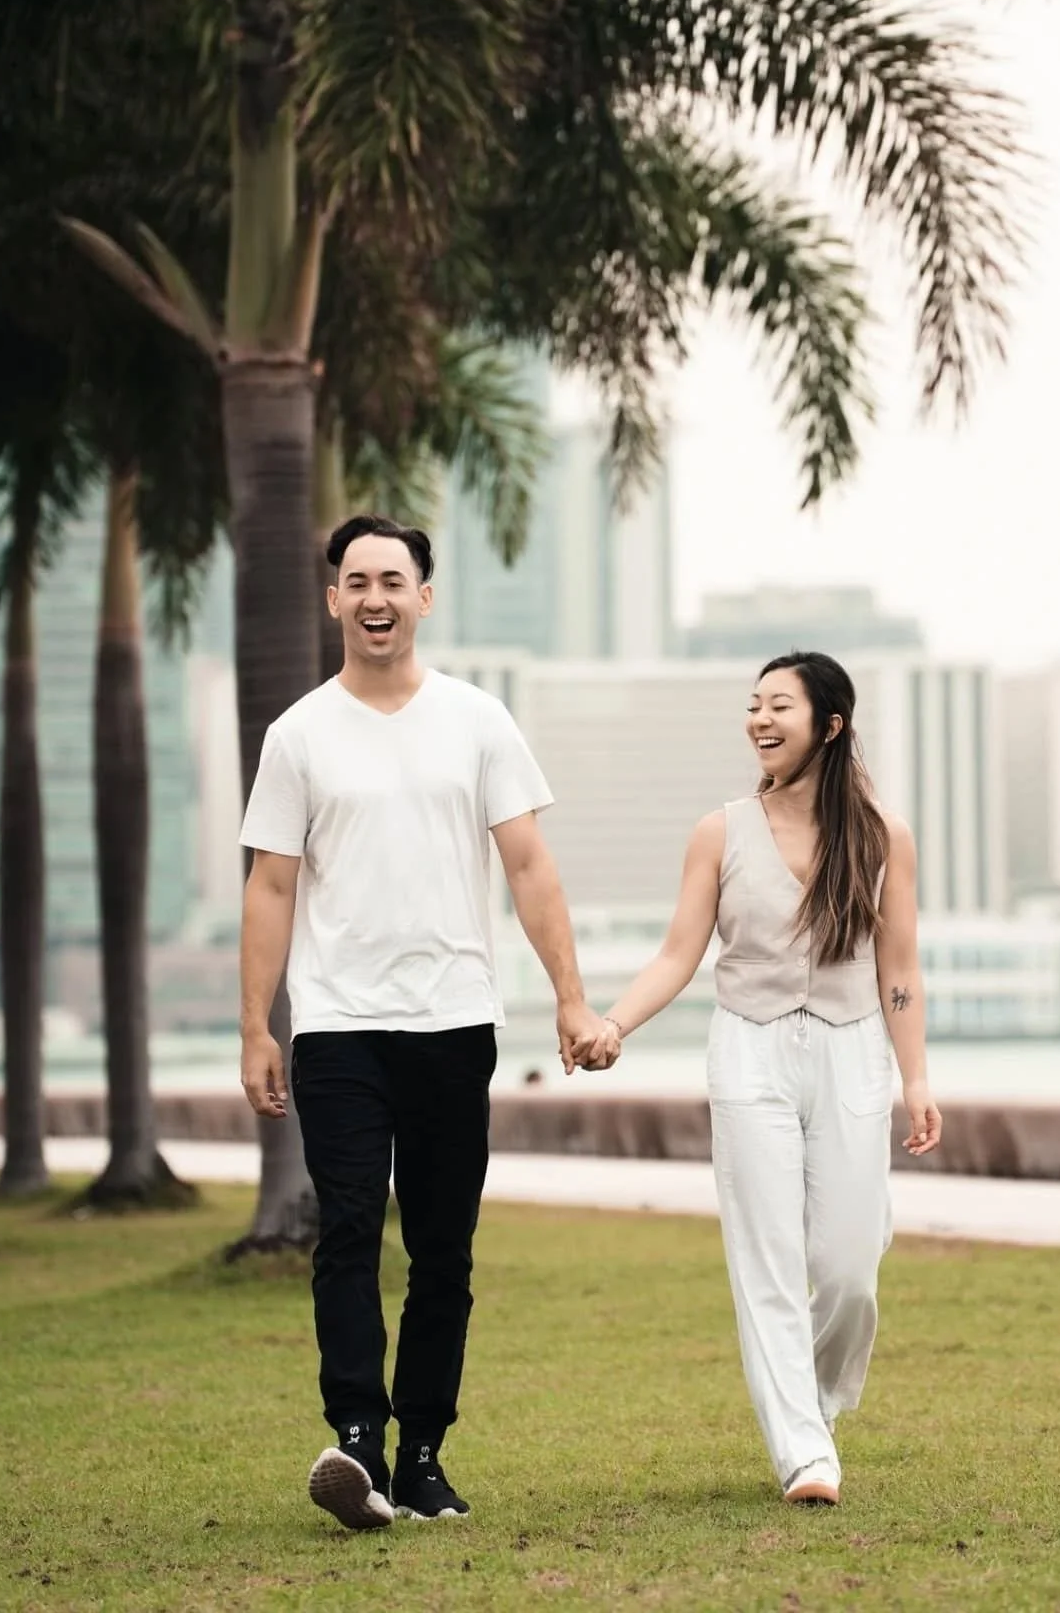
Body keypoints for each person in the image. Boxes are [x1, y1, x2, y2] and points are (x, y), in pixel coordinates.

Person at [238, 512, 614, 1532]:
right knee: (350, 1226)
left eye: (393, 580)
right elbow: (271, 886)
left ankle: (425, 1453)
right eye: (356, 580)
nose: (374, 597)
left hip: (454, 1022)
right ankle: (357, 1441)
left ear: (424, 598)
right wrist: (256, 1028)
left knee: (444, 1249)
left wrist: (571, 997)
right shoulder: (299, 734)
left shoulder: (478, 722)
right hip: (340, 1026)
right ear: (333, 601)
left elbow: (530, 866)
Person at [592, 651, 941, 1507]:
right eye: (753, 706)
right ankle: (802, 1452)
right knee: (770, 1258)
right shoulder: (720, 831)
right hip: (748, 1048)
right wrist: (612, 1025)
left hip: (853, 1049)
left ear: (829, 725)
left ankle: (811, 1406)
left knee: (851, 1265)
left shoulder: (883, 833)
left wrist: (917, 1077)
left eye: (778, 705)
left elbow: (899, 966)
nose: (759, 720)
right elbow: (681, 953)